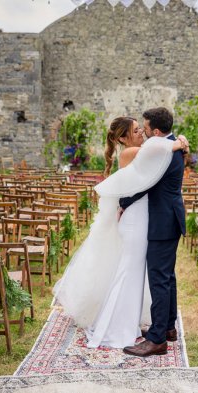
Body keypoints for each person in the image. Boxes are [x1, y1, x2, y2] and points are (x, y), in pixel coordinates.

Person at [53, 116, 188, 349]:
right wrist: (177, 143)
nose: (141, 134)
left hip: (145, 216)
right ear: (124, 138)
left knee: (142, 273)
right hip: (135, 218)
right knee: (131, 270)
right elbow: (158, 150)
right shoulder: (134, 152)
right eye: (136, 131)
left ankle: (154, 325)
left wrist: (176, 142)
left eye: (141, 129)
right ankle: (122, 326)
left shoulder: (146, 149)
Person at [121, 107, 186, 357]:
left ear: (156, 131)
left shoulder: (162, 151)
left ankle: (157, 339)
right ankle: (168, 327)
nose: (144, 132)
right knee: (167, 277)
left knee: (159, 279)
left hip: (163, 221)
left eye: (145, 128)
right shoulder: (172, 144)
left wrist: (123, 204)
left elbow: (145, 184)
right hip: (171, 218)